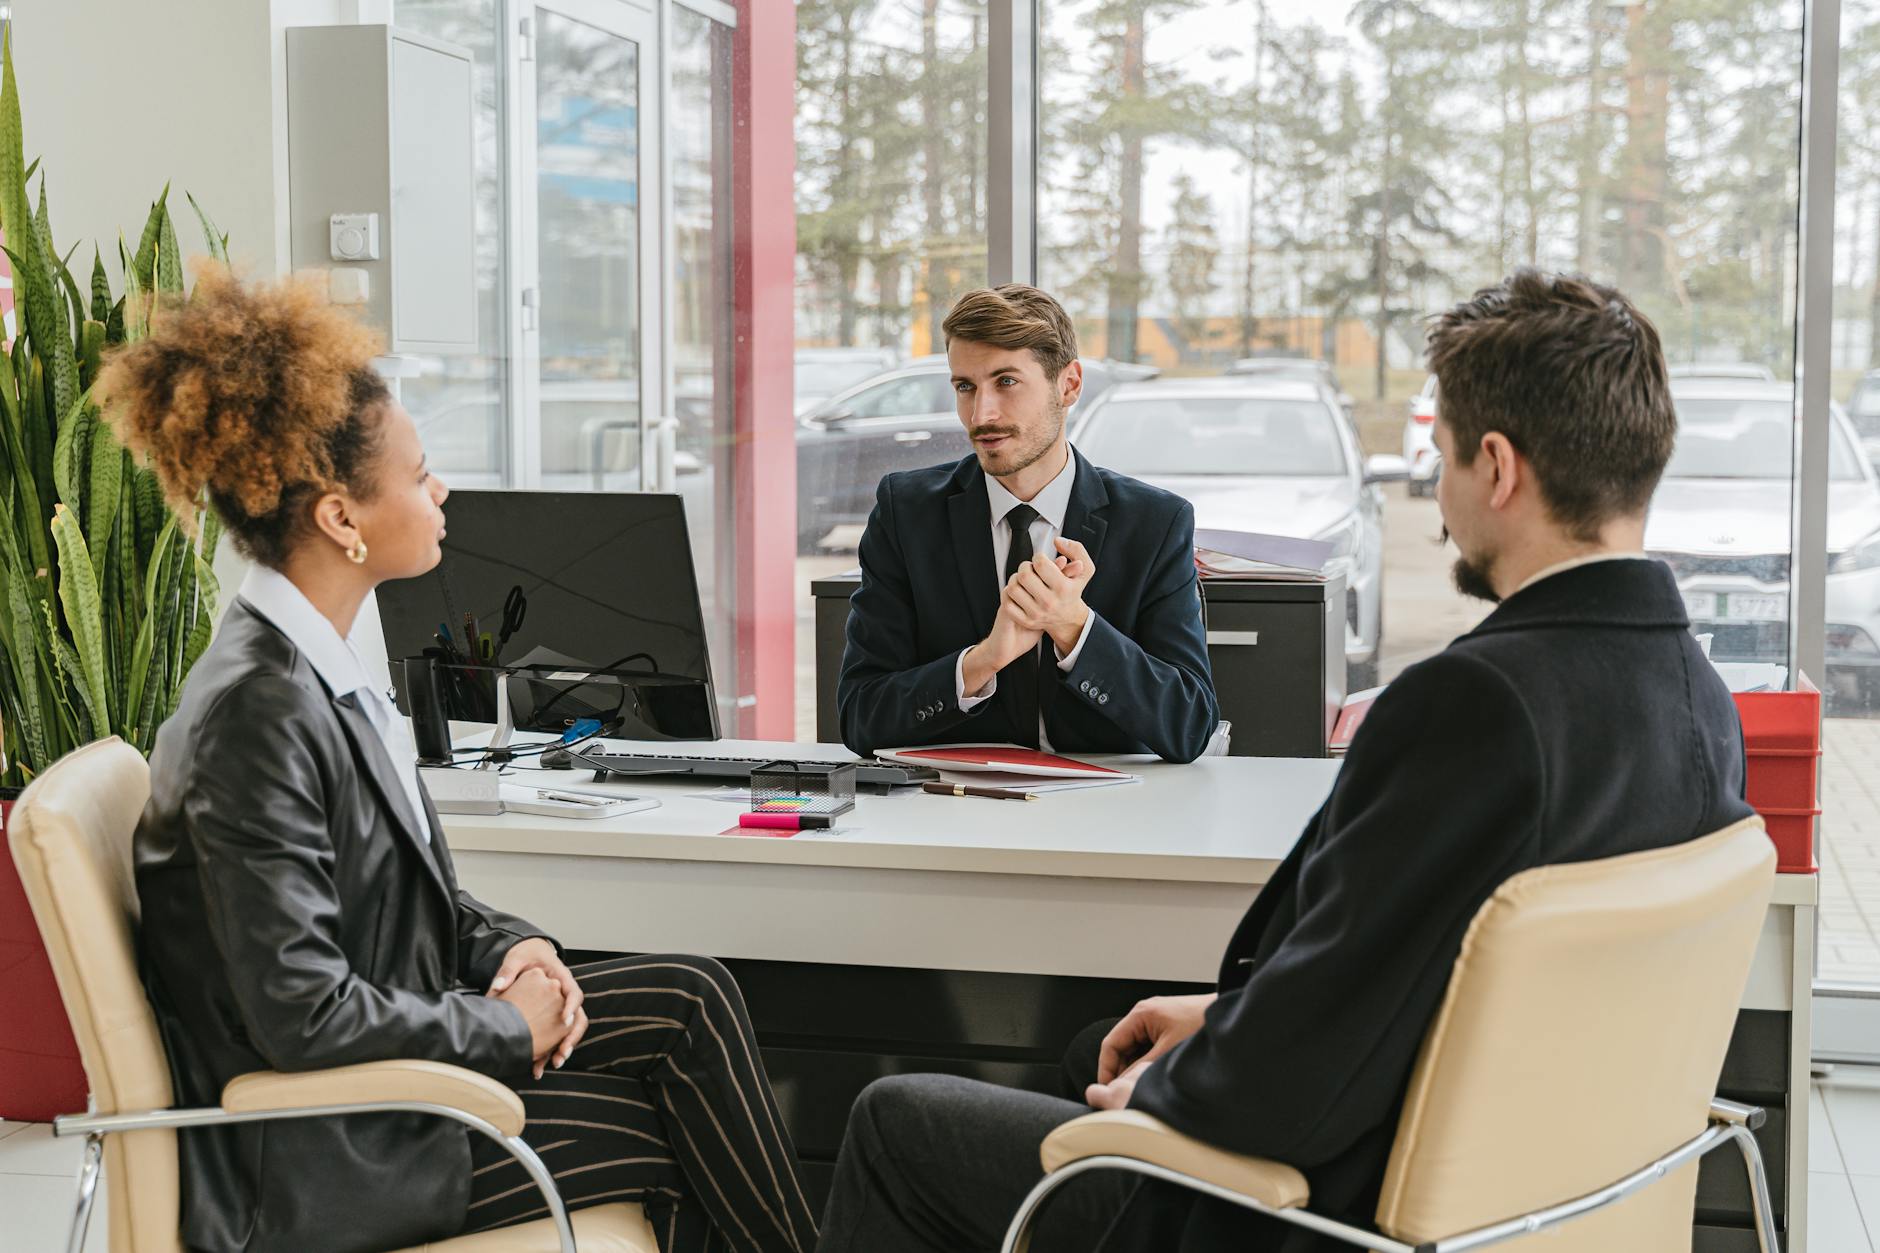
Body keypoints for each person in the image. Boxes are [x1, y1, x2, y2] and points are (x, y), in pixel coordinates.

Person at [814, 269, 1757, 1253]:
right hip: (1548, 1197)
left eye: (1434, 459)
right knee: (1090, 1046)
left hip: (1303, 1210)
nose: (1433, 495)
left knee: (895, 1121)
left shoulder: (1468, 706)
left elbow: (1293, 1081)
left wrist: (1187, 1073)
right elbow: (1434, 983)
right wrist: (1226, 1013)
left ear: (1496, 466)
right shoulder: (1698, 700)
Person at [104, 270, 818, 1253]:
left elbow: (408, 896)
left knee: (691, 993)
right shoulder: (254, 715)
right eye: (418, 473)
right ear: (340, 519)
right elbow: (302, 1014)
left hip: (376, 1083)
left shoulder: (315, 662)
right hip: (318, 1150)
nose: (440, 491)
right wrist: (509, 1029)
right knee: (661, 1127)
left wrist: (514, 950)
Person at [836, 284, 1219, 763]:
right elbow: (859, 717)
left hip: (1111, 816)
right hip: (950, 813)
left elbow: (1190, 726)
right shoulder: (906, 513)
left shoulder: (1154, 523)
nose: (982, 414)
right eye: (965, 387)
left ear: (1069, 385)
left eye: (1007, 382)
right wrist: (982, 662)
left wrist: (1075, 628)